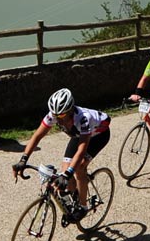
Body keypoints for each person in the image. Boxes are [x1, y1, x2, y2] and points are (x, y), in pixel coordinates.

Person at [12, 88, 110, 225]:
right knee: (65, 170)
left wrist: (68, 174)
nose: (58, 119)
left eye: (62, 115)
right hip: (79, 135)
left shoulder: (84, 119)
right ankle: (73, 200)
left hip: (99, 135)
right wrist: (23, 159)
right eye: (56, 115)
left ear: (70, 110)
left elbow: (81, 150)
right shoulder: (54, 115)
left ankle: (83, 207)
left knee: (79, 167)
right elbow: (37, 136)